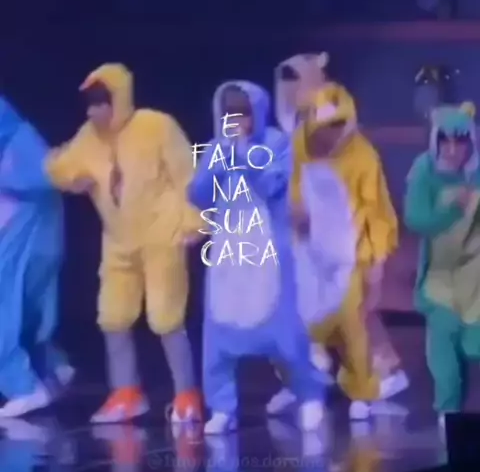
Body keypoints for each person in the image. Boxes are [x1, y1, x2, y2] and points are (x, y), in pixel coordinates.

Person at [45, 63, 202, 425]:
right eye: (90, 105)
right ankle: (126, 392)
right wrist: (72, 178)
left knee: (165, 316)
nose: (94, 112)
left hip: (161, 232)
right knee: (113, 315)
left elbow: (186, 174)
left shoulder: (155, 126)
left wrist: (193, 220)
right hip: (118, 239)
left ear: (119, 99)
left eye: (101, 103)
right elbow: (61, 165)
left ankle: (186, 394)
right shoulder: (89, 137)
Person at [188, 80, 325, 435]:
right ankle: (222, 407)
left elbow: (273, 185)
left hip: (268, 250)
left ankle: (309, 394)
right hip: (229, 251)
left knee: (285, 332)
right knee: (219, 333)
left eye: (243, 114)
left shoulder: (277, 143)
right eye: (230, 114)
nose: (237, 121)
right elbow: (199, 195)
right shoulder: (216, 146)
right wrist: (219, 160)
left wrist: (245, 156)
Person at [271, 55, 408, 405]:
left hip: (351, 252)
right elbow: (292, 188)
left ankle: (380, 376)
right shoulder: (299, 143)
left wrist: (377, 260)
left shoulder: (362, 155)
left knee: (357, 314)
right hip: (310, 250)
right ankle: (304, 379)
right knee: (302, 313)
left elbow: (377, 210)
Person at [404, 102, 480, 428]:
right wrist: (453, 209)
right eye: (445, 141)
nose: (452, 150)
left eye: (459, 142)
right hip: (440, 282)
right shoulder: (424, 170)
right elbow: (416, 219)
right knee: (444, 358)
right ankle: (448, 415)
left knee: (472, 345)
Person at [0, 96, 72, 419]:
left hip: (24, 219)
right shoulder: (22, 141)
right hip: (33, 218)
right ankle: (50, 370)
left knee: (13, 304)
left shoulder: (18, 149)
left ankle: (25, 386)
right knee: (29, 306)